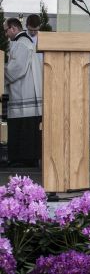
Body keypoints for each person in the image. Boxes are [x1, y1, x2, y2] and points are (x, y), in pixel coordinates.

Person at [4, 17, 43, 166]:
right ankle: (27, 158)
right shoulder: (26, 42)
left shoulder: (21, 44)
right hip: (27, 90)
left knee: (24, 125)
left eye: (6, 30)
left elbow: (16, 68)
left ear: (13, 28)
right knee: (28, 126)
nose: (6, 34)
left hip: (24, 91)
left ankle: (23, 160)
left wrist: (2, 70)